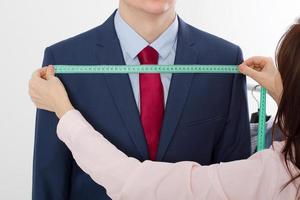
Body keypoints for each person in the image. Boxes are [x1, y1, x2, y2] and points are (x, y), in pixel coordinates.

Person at [29, 19, 300, 199]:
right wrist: (285, 93)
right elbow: (49, 179)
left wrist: (64, 112)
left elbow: (130, 181)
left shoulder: (278, 172)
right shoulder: (64, 59)